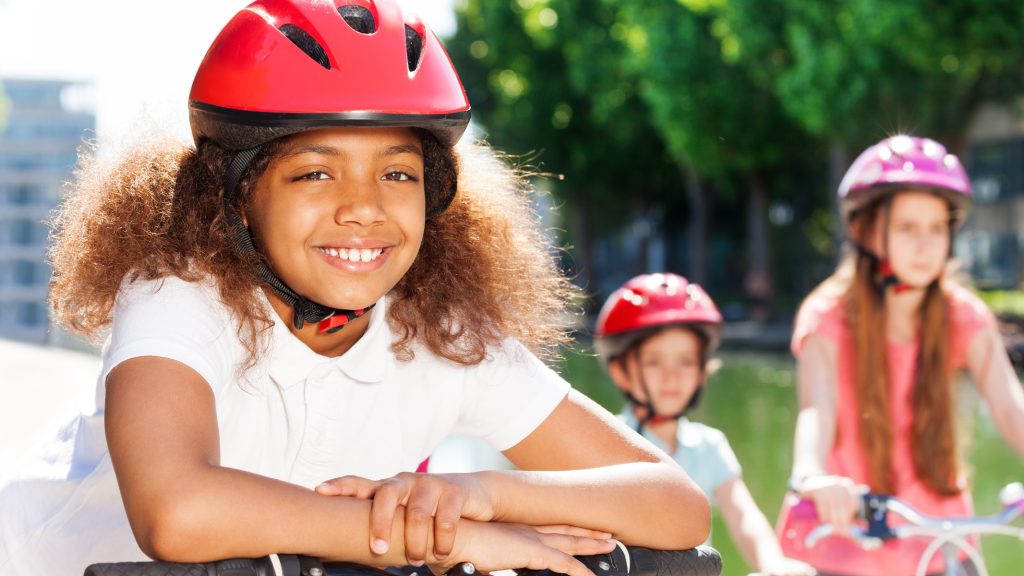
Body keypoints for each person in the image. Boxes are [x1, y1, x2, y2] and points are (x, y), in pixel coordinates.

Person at [0, 1, 711, 574]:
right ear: (238, 194)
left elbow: (677, 505)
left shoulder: (439, 332)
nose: (364, 207)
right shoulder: (179, 292)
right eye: (315, 171)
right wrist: (437, 539)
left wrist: (476, 498)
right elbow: (176, 511)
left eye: (398, 173)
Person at [778, 135, 1024, 576]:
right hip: (850, 531)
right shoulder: (828, 315)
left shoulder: (960, 313)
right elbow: (815, 411)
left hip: (939, 535)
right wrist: (812, 477)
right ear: (866, 230)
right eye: (907, 228)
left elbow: (1010, 405)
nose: (925, 245)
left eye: (936, 229)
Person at [594, 273, 816, 576]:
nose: (671, 376)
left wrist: (773, 563)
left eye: (685, 361)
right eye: (654, 362)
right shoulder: (602, 442)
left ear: (702, 371)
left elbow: (743, 516)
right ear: (621, 371)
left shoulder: (709, 445)